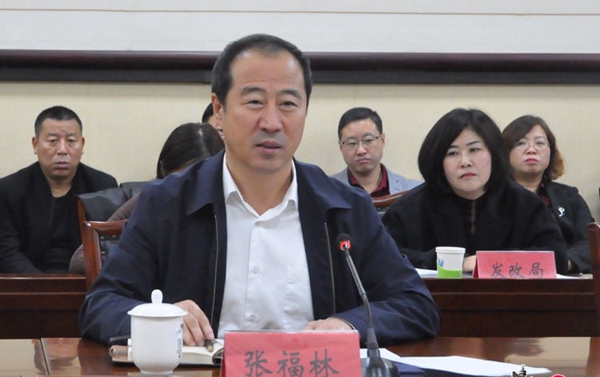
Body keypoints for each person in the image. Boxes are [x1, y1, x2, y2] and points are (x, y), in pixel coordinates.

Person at [79, 33, 440, 346]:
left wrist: (349, 325)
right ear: (219, 110)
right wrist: (159, 318)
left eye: (288, 104)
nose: (271, 122)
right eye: (254, 102)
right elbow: (102, 305)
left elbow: (415, 305)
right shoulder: (167, 203)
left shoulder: (345, 208)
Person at [382, 108, 568, 274]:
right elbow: (383, 257)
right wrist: (452, 262)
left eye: (474, 150)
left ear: (493, 153)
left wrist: (490, 262)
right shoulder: (410, 208)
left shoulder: (525, 204)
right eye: (452, 153)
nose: (465, 162)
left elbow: (556, 258)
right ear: (438, 161)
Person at [68, 122, 225, 273]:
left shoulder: (231, 203)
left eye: (198, 181)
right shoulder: (150, 199)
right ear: (164, 172)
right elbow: (80, 259)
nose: (187, 190)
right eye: (179, 180)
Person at [0, 105, 117, 273]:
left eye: (71, 141)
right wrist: (41, 285)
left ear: (82, 144)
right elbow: (6, 252)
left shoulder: (102, 186)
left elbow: (109, 248)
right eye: (53, 141)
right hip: (27, 281)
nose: (62, 150)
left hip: (88, 281)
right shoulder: (9, 190)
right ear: (35, 144)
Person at [502, 115, 594, 274]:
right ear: (504, 152)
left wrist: (563, 263)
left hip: (563, 279)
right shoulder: (490, 197)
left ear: (551, 151)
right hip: (504, 277)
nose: (531, 149)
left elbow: (590, 242)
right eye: (520, 143)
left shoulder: (570, 197)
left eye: (539, 143)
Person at [331, 107, 420, 197]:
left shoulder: (414, 192)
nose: (361, 151)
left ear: (382, 140)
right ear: (341, 147)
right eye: (352, 143)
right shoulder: (326, 191)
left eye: (368, 140)